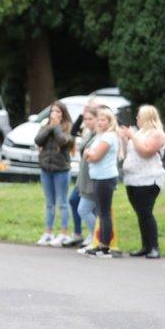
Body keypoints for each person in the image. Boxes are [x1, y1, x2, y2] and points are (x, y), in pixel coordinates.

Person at [119, 105, 165, 259]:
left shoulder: (157, 134)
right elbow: (129, 152)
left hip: (148, 179)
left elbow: (146, 151)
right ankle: (145, 246)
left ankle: (154, 247)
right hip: (132, 178)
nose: (137, 119)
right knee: (140, 213)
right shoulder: (139, 133)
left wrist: (132, 136)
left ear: (147, 118)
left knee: (146, 212)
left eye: (139, 116)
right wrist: (125, 139)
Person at [81, 106, 121, 258]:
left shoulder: (109, 137)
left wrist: (89, 154)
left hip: (105, 178)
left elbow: (95, 156)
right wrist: (89, 154)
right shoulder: (100, 135)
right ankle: (102, 243)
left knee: (104, 212)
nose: (99, 122)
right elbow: (86, 151)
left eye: (103, 120)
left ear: (110, 122)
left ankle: (105, 246)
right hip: (97, 177)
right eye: (98, 119)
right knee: (100, 211)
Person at [34, 101, 75, 247]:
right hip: (46, 169)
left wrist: (56, 127)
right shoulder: (46, 126)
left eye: (58, 112)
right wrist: (49, 128)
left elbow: (64, 142)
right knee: (49, 203)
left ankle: (64, 233)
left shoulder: (68, 128)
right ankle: (48, 232)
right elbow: (38, 141)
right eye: (52, 111)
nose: (54, 114)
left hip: (61, 170)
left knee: (62, 202)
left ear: (63, 114)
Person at [73, 105, 99, 250]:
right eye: (86, 119)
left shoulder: (99, 136)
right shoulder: (88, 133)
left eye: (90, 119)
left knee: (83, 209)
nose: (87, 122)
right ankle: (94, 236)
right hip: (83, 176)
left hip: (92, 177)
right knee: (90, 209)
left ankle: (97, 237)